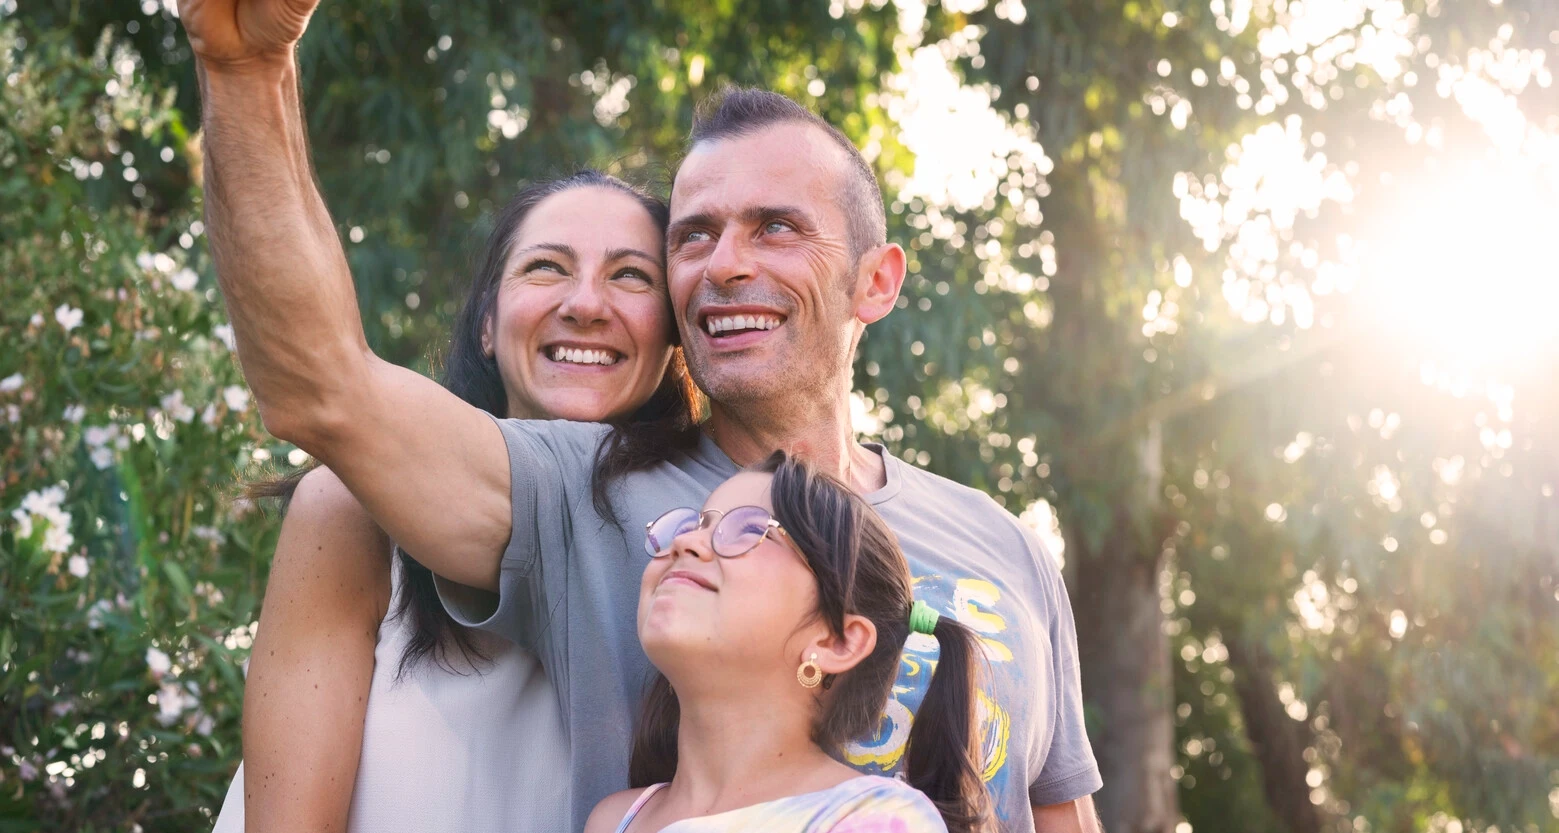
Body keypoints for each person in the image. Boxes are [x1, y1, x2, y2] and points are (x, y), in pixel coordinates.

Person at [179, 1, 1104, 829]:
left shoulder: (1004, 543)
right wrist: (249, 75)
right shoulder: (588, 493)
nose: (724, 263)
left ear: (877, 279)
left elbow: (1058, 814)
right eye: (692, 237)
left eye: (773, 226)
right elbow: (321, 389)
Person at [209, 171, 698, 833]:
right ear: (488, 326)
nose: (586, 303)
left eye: (632, 276)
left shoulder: (707, 541)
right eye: (546, 266)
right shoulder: (352, 509)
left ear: (673, 340)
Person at [585, 452, 989, 833]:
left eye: (748, 530)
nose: (685, 543)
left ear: (837, 641)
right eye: (693, 526)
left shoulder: (877, 820)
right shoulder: (616, 819)